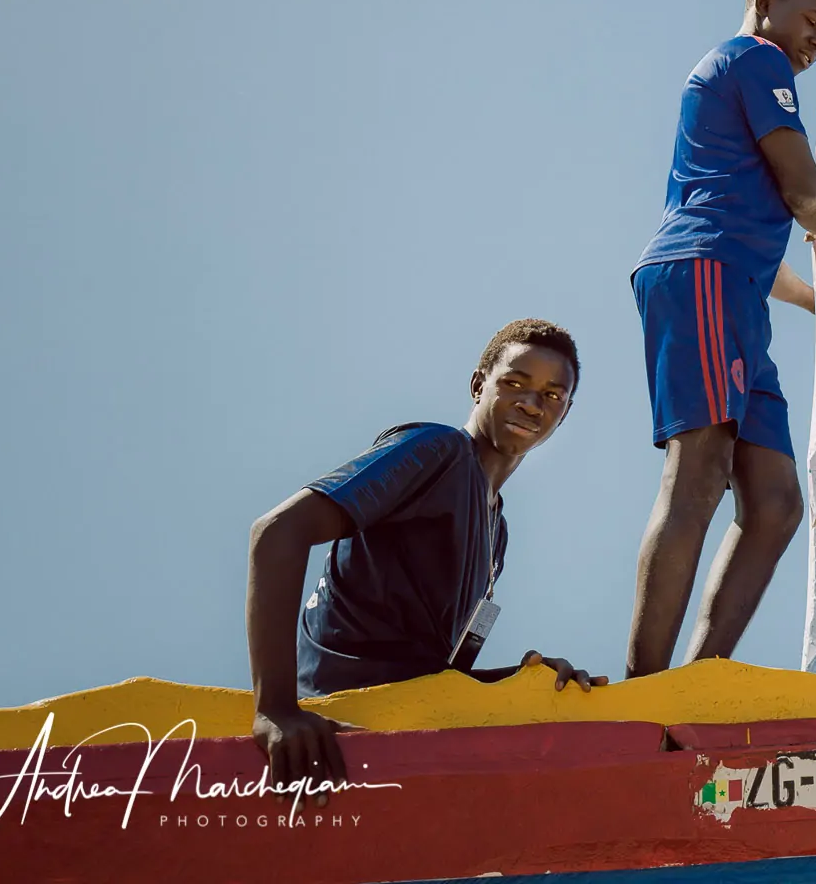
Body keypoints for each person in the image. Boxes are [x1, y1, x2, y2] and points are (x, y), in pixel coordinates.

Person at [623, 0, 816, 678]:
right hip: (701, 270)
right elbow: (802, 189)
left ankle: (699, 681)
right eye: (811, 18)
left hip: (735, 291)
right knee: (698, 470)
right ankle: (644, 688)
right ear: (766, 2)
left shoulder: (762, 80)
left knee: (776, 503)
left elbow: (771, 242)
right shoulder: (757, 60)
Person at [246, 318, 603, 795]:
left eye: (552, 395)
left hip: (395, 738)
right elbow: (275, 533)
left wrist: (521, 679)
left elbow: (438, 675)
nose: (531, 402)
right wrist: (275, 709)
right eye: (514, 383)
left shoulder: (496, 533)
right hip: (331, 731)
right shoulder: (439, 452)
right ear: (479, 385)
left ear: (565, 413)